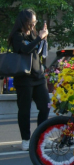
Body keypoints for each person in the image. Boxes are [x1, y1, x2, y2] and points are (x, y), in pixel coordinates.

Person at [9, 9, 50, 151]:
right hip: (24, 79)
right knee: (25, 111)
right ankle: (26, 139)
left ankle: (41, 137)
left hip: (38, 77)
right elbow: (25, 50)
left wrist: (42, 38)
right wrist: (39, 38)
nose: (33, 25)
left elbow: (38, 51)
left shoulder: (32, 35)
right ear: (24, 22)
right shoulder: (17, 36)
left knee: (45, 107)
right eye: (31, 22)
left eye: (35, 22)